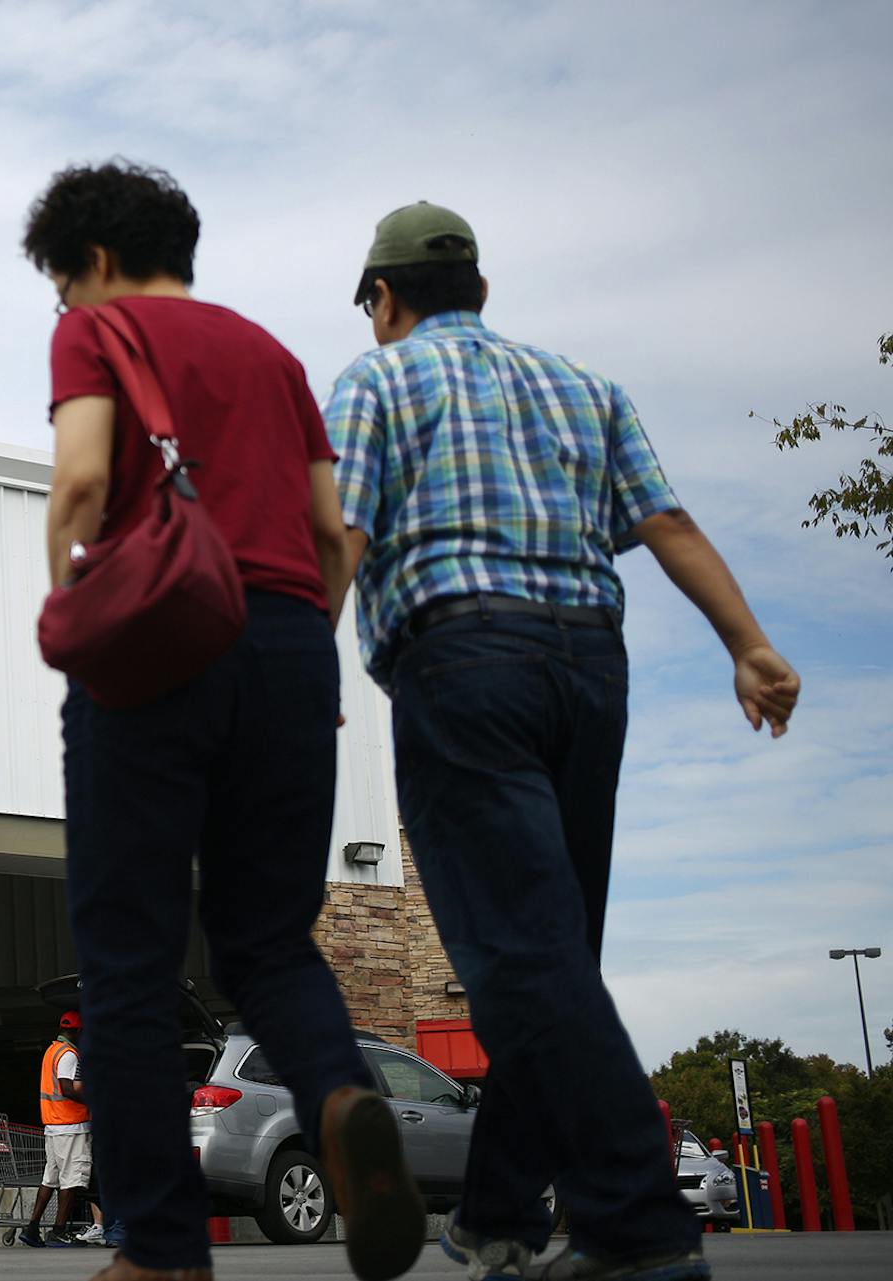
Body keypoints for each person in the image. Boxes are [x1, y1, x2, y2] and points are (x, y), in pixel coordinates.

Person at [328, 202, 800, 1281]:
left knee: (522, 956)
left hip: (463, 666)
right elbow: (667, 524)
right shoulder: (586, 388)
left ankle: (636, 1227)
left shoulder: (378, 382)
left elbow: (340, 532)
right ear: (482, 292)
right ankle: (500, 1208)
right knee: (553, 953)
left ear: (383, 299)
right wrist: (750, 645)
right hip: (591, 669)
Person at [26, 160, 426, 1281]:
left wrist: (68, 603)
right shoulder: (273, 355)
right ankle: (340, 1097)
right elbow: (333, 534)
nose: (62, 306)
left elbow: (81, 484)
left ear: (96, 260)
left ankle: (160, 1250)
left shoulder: (98, 333)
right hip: (291, 644)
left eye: (61, 284)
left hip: (155, 639)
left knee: (130, 956)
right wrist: (293, 644)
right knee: (266, 941)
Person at [19, 1010, 103, 1247]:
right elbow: (67, 1088)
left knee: (50, 1178)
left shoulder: (52, 1051)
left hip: (54, 1125)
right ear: (78, 1031)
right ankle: (58, 1231)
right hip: (70, 1126)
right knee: (70, 1180)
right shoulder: (68, 1055)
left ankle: (32, 1228)